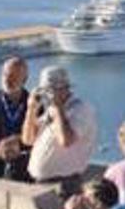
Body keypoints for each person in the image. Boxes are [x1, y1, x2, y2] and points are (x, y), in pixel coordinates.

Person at [22, 65, 97, 199]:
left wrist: (58, 109)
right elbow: (28, 140)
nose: (46, 95)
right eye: (43, 91)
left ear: (65, 88)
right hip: (41, 182)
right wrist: (31, 110)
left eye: (49, 90)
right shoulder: (51, 110)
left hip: (65, 184)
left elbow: (66, 140)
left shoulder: (81, 109)